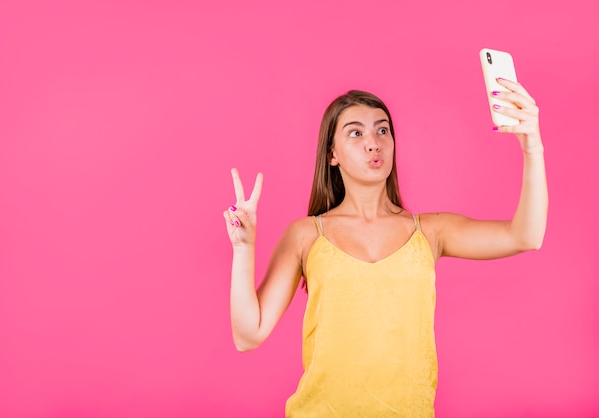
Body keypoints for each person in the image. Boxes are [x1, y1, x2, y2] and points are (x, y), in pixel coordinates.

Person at [223, 80, 547, 417]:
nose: (373, 144)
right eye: (355, 133)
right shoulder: (306, 235)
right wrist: (244, 248)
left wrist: (532, 148)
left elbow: (526, 236)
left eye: (382, 131)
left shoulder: (430, 231)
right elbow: (248, 335)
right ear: (331, 154)